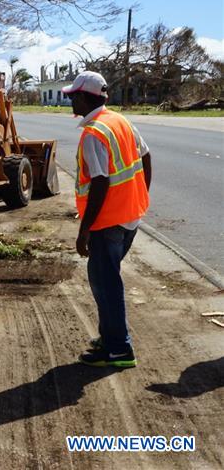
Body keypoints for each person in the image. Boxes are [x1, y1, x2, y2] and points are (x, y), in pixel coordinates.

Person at [63, 71, 151, 368]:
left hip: (107, 222)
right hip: (130, 217)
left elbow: (100, 183)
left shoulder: (94, 134)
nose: (70, 100)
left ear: (86, 97)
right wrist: (140, 196)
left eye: (73, 95)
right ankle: (110, 338)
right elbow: (146, 157)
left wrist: (84, 231)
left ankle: (119, 349)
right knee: (105, 281)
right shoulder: (120, 121)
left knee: (106, 285)